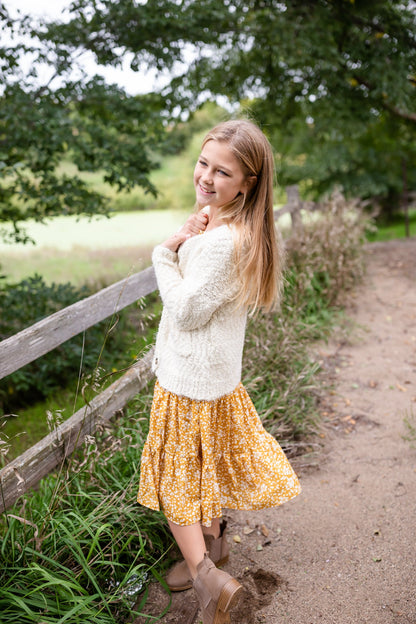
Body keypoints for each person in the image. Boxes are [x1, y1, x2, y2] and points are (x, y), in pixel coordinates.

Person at [137, 119, 301, 624]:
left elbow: (186, 311)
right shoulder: (235, 229)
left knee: (176, 482)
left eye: (222, 172)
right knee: (202, 468)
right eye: (203, 163)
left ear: (248, 182)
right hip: (214, 378)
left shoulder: (221, 242)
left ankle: (207, 580)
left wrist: (164, 253)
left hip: (189, 382)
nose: (206, 177)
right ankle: (216, 547)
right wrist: (194, 231)